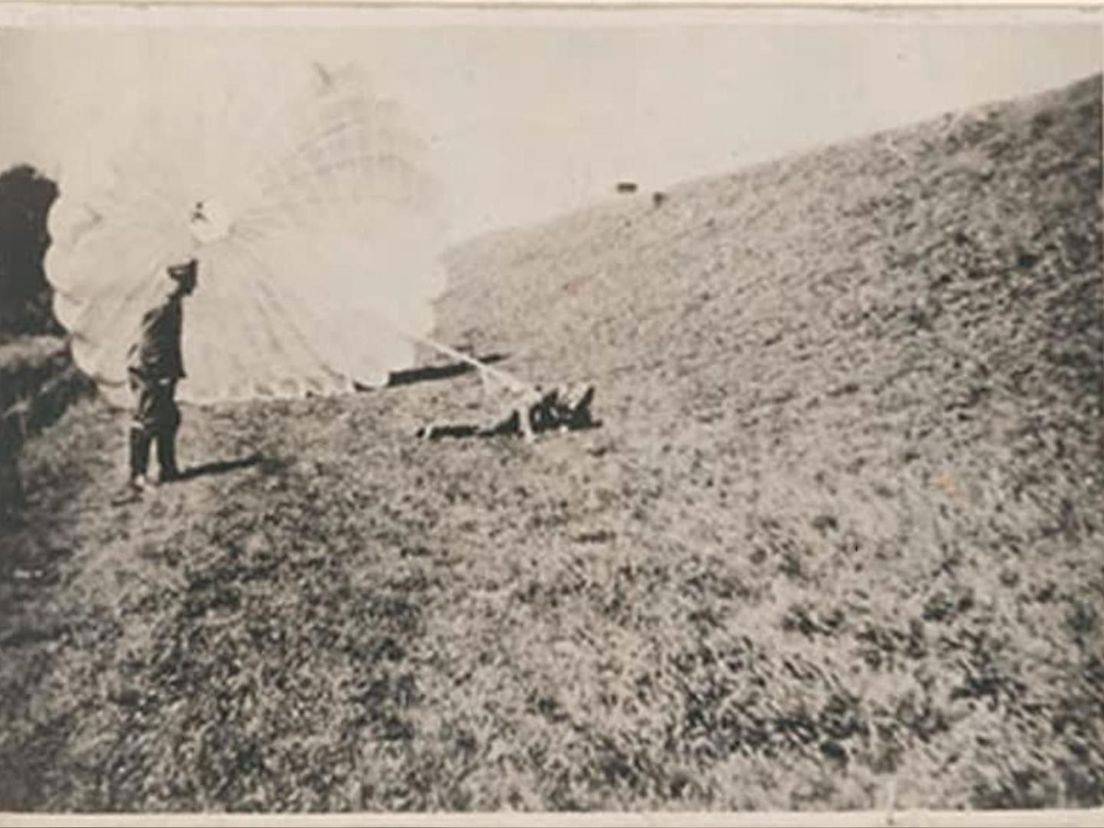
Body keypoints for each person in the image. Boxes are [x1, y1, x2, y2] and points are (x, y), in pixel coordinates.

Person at [126, 258, 197, 490]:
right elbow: (151, 341)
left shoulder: (171, 301)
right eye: (191, 277)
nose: (195, 283)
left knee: (167, 418)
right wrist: (159, 373)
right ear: (180, 278)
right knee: (147, 418)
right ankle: (137, 475)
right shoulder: (163, 304)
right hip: (150, 368)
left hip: (160, 368)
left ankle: (168, 468)